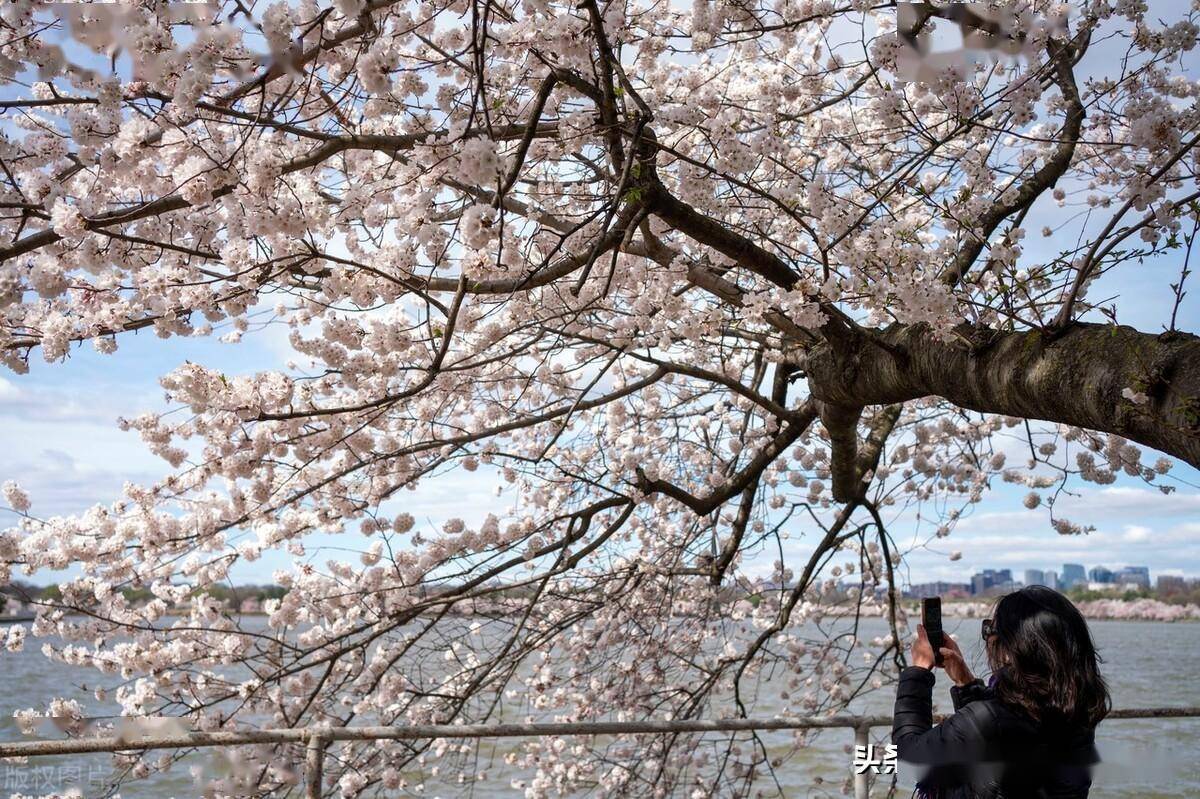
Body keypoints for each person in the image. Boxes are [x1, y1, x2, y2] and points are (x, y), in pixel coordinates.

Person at [892, 586, 1111, 798]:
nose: (987, 637)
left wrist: (918, 672)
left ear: (1014, 647)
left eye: (990, 630)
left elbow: (909, 758)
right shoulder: (1077, 712)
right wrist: (966, 683)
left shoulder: (986, 719)